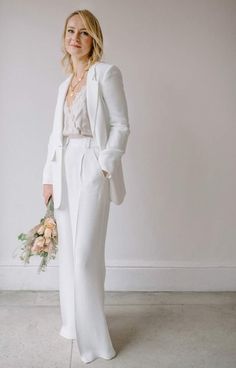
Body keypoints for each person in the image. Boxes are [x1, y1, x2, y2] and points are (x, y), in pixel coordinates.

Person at [42, 9, 130, 364]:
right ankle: (73, 325)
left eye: (82, 32)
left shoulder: (106, 74)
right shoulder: (64, 84)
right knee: (68, 256)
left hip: (91, 165)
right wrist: (47, 177)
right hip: (63, 168)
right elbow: (54, 136)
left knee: (86, 257)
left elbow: (122, 125)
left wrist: (104, 167)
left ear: (94, 38)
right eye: (69, 31)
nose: (74, 38)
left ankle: (96, 343)